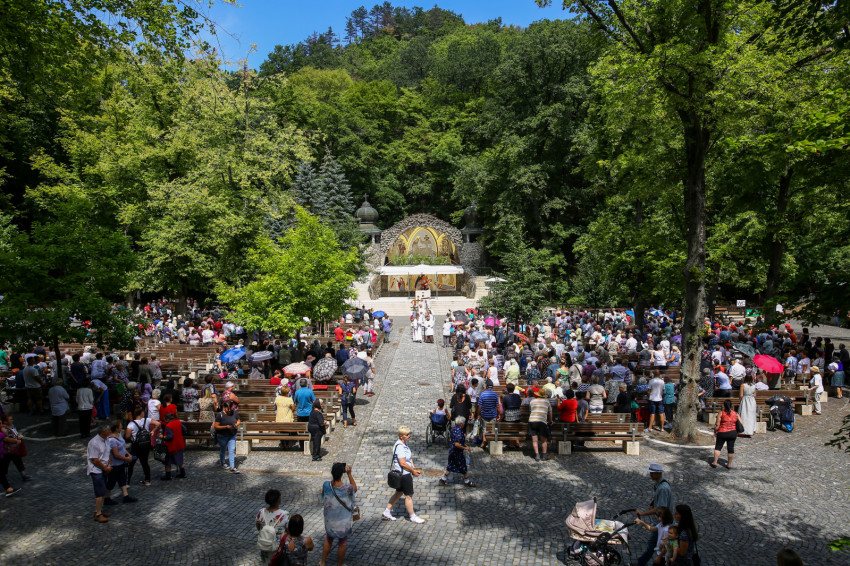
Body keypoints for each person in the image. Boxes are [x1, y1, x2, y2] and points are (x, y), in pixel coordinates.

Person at [383, 425, 424, 523]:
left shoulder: (404, 443)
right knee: (409, 495)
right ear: (401, 436)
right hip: (404, 475)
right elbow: (403, 463)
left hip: (405, 473)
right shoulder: (400, 447)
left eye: (409, 434)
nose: (409, 436)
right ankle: (412, 516)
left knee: (399, 493)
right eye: (407, 434)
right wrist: (412, 471)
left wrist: (413, 468)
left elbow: (409, 458)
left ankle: (386, 512)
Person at [320, 462, 358, 566]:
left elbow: (323, 499)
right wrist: (349, 474)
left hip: (330, 520)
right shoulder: (347, 488)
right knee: (342, 542)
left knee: (328, 539)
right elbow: (354, 488)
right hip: (343, 522)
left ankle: (323, 562)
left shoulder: (326, 485)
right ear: (342, 474)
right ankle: (339, 565)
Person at [636, 463, 674, 565]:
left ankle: (641, 563)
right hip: (662, 526)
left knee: (653, 545)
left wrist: (642, 514)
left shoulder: (662, 488)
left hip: (663, 524)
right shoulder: (660, 485)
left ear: (658, 474)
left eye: (652, 473)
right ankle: (642, 562)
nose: (650, 475)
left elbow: (660, 509)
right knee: (653, 545)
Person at [105, 420, 138, 504]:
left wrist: (128, 454)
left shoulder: (119, 435)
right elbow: (116, 454)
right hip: (114, 464)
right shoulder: (111, 440)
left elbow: (122, 447)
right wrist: (127, 459)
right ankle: (107, 498)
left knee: (122, 479)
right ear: (116, 428)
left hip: (120, 463)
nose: (122, 427)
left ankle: (125, 496)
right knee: (111, 482)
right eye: (120, 426)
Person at [87, 425, 114, 523]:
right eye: (108, 431)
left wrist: (109, 465)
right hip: (97, 470)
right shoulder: (94, 443)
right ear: (103, 432)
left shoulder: (107, 439)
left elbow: (109, 452)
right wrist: (105, 468)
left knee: (103, 490)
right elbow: (95, 460)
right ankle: (98, 514)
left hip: (104, 469)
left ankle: (99, 510)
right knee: (99, 491)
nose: (110, 432)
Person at [439, 416, 476, 487]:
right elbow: (457, 444)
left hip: (452, 451)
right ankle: (467, 482)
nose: (464, 423)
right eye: (464, 422)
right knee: (463, 466)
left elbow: (459, 441)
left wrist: (465, 445)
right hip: (457, 453)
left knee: (450, 466)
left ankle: (443, 479)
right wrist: (465, 448)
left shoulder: (454, 428)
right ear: (461, 423)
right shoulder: (459, 431)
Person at [256, 488, 289, 565]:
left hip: (265, 545)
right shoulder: (284, 514)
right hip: (278, 547)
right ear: (278, 500)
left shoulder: (261, 512)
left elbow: (258, 526)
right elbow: (288, 531)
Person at [125, 406, 156, 486]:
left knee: (131, 464)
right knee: (145, 462)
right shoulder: (147, 420)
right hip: (146, 445)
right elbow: (158, 423)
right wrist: (153, 431)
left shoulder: (131, 424)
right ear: (142, 413)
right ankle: (147, 480)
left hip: (136, 445)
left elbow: (127, 436)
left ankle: (127, 482)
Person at [711, 399, 743, 469]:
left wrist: (715, 431)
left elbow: (717, 424)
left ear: (724, 405)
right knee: (731, 448)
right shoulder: (735, 413)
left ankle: (715, 462)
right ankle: (729, 464)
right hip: (732, 432)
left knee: (718, 447)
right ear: (731, 405)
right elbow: (741, 422)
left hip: (722, 432)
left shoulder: (721, 413)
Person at [214, 401, 240, 473]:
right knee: (223, 449)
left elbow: (238, 420)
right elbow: (216, 426)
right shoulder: (220, 415)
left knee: (232, 450)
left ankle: (232, 467)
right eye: (227, 409)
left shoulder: (234, 413)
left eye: (230, 408)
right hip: (222, 435)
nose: (228, 410)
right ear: (224, 407)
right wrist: (225, 427)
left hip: (232, 434)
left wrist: (236, 424)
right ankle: (223, 462)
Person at [160, 411, 187, 480]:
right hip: (179, 444)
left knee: (168, 461)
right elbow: (184, 429)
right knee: (180, 459)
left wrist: (163, 437)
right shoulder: (178, 422)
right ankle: (183, 473)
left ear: (167, 419)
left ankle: (168, 475)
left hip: (171, 446)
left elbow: (170, 437)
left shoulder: (168, 426)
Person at [529, 388, 553, 461]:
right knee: (544, 440)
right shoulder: (547, 401)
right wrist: (550, 421)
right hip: (542, 422)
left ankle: (537, 455)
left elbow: (530, 410)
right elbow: (550, 412)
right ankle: (544, 455)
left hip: (532, 421)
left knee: (534, 440)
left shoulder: (532, 401)